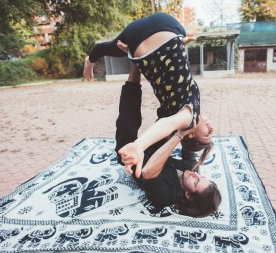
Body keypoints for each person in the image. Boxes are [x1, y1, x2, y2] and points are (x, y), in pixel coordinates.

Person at [84, 12, 214, 179]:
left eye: (207, 133)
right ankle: (90, 61)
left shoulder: (188, 118)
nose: (212, 128)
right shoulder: (175, 112)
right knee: (112, 48)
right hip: (140, 40)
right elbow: (173, 75)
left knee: (109, 47)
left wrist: (139, 145)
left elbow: (167, 125)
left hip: (167, 25)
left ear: (190, 133)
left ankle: (90, 60)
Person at [107, 62, 222, 218]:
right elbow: (189, 142)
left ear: (188, 195)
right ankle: (154, 62)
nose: (196, 175)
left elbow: (148, 171)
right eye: (201, 177)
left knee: (128, 120)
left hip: (132, 159)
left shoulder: (166, 196)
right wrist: (196, 131)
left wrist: (179, 135)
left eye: (196, 182)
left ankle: (135, 66)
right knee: (171, 116)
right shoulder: (192, 170)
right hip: (155, 148)